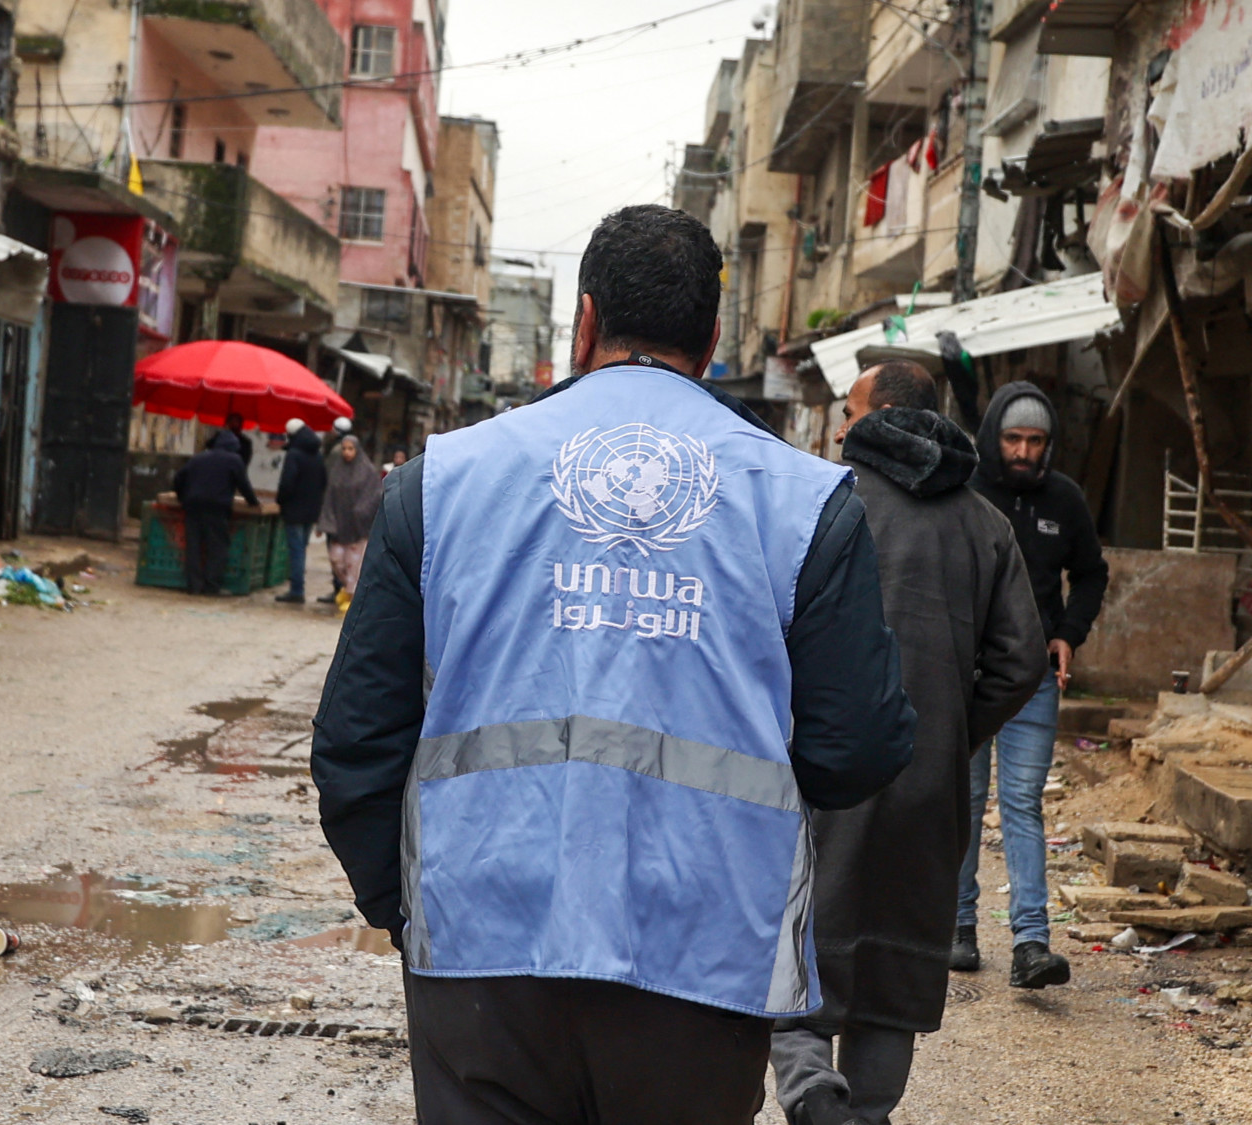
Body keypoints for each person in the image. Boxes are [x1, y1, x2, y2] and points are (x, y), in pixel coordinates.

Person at [312, 204, 915, 1125]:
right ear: (712, 341)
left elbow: (355, 739)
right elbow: (859, 747)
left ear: (584, 321)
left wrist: (407, 904)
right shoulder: (806, 503)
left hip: (480, 939)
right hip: (706, 952)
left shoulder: (441, 482)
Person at [769, 361, 1045, 1125]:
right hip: (928, 782)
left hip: (821, 771)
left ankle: (809, 1088)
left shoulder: (823, 503)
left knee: (800, 938)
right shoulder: (984, 522)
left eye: (848, 411)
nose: (839, 427)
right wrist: (950, 732)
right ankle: (866, 1112)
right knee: (895, 963)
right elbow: (1022, 659)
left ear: (877, 414)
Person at [953, 381, 1109, 987]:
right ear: (995, 436)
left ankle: (1031, 943)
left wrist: (1069, 633)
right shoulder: (965, 489)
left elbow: (1091, 573)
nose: (1023, 451)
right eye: (1013, 438)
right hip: (968, 677)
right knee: (964, 800)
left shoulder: (1063, 500)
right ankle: (958, 927)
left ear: (1049, 443)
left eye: (1036, 440)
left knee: (1021, 802)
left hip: (1035, 679)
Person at [174, 430, 260, 596]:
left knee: (193, 546)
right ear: (234, 447)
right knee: (217, 547)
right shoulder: (234, 460)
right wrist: (253, 503)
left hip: (193, 506)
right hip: (216, 508)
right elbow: (244, 485)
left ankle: (194, 586)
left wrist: (182, 497)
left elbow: (179, 478)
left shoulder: (198, 458)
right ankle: (211, 586)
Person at [318, 434, 380, 611]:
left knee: (353, 564)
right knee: (336, 559)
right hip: (339, 526)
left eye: (350, 449)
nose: (347, 452)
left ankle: (353, 597)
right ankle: (348, 589)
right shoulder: (337, 470)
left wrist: (361, 511)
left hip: (359, 529)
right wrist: (325, 521)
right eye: (344, 449)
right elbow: (329, 496)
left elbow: (374, 495)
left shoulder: (367, 471)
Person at [274, 419, 326, 604]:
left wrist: (280, 500)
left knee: (296, 551)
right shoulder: (317, 455)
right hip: (311, 511)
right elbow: (323, 482)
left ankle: (297, 590)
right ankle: (297, 587)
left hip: (294, 510)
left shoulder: (294, 455)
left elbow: (287, 483)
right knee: (301, 549)